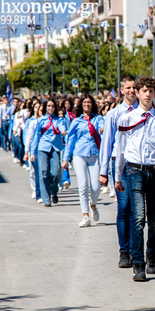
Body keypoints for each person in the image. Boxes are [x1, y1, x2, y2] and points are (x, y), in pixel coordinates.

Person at [115, 76, 155, 282]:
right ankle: (138, 264)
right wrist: (117, 176)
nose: (148, 94)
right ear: (137, 93)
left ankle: (152, 257)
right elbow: (121, 149)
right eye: (144, 90)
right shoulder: (128, 118)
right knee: (138, 218)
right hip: (134, 171)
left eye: (151, 91)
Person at [99, 75, 138, 268]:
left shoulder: (143, 112)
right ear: (121, 90)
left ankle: (135, 250)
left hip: (139, 165)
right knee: (123, 208)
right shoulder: (113, 114)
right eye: (128, 88)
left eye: (134, 87)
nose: (132, 91)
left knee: (137, 210)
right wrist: (103, 170)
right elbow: (107, 144)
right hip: (120, 164)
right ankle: (124, 251)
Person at [63, 95, 105, 227]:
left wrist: (102, 130)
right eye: (84, 102)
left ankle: (93, 205)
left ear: (92, 104)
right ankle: (85, 216)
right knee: (83, 185)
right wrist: (65, 158)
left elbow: (103, 127)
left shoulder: (98, 119)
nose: (87, 104)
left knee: (96, 186)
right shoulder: (76, 121)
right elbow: (70, 140)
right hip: (79, 155)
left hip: (94, 155)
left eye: (89, 102)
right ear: (81, 105)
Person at [30, 98, 67, 207]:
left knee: (55, 173)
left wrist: (63, 131)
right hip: (43, 148)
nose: (51, 108)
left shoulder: (59, 120)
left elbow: (62, 127)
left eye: (53, 106)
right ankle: (46, 199)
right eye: (49, 106)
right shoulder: (41, 120)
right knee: (44, 173)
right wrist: (32, 152)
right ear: (45, 107)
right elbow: (36, 137)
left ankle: (54, 191)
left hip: (55, 148)